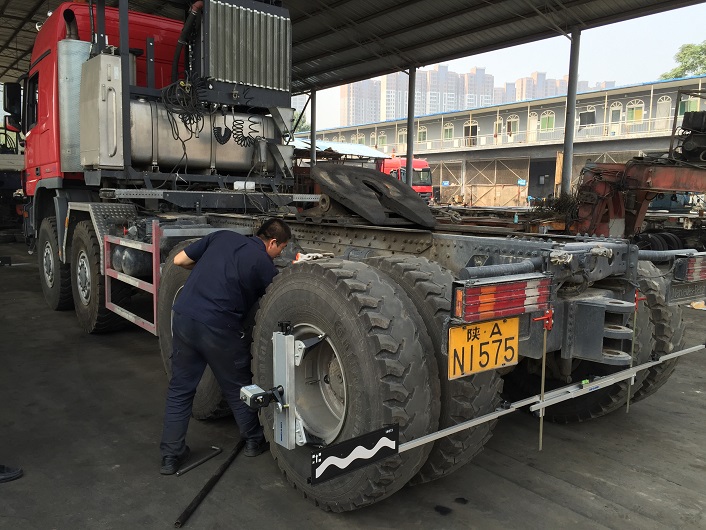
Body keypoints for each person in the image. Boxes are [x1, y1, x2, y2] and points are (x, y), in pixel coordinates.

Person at [159, 218, 292, 475]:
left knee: (180, 389)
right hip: (218, 327)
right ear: (273, 242)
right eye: (282, 249)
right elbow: (274, 300)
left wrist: (208, 269)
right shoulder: (263, 264)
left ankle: (170, 457)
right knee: (237, 386)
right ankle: (253, 440)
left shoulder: (222, 236)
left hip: (184, 317)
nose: (279, 255)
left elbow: (179, 261)